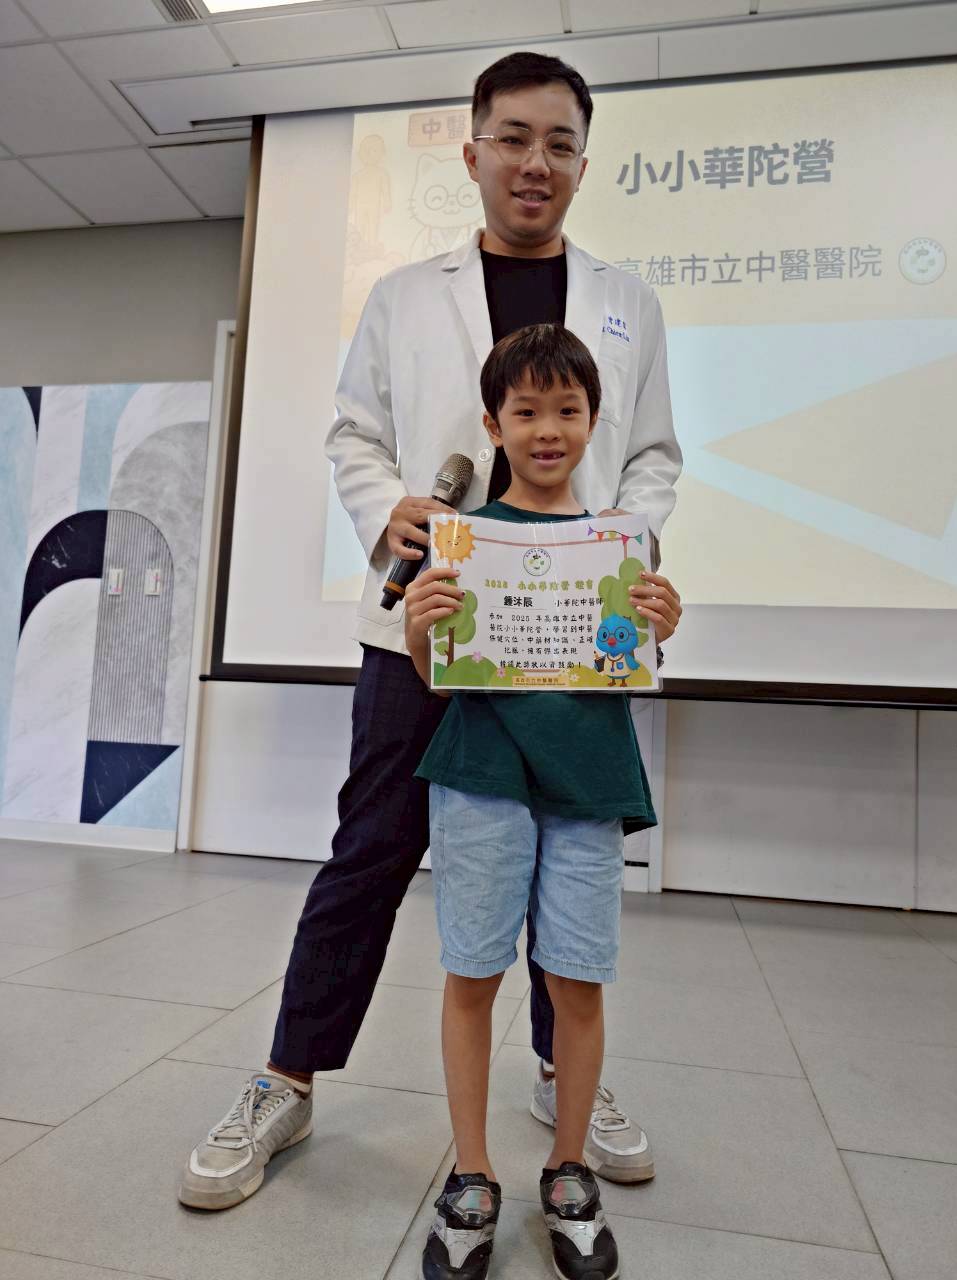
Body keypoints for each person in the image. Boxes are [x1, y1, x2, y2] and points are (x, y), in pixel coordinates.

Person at [179, 50, 682, 1212]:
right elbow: (354, 434)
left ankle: (562, 1077)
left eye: (559, 142)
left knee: (565, 844)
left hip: (568, 629)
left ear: (583, 162)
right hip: (430, 620)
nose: (535, 162)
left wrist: (622, 544)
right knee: (372, 846)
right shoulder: (406, 295)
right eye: (514, 138)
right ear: (472, 152)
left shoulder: (629, 302)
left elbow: (653, 454)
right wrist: (387, 508)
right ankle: (286, 1077)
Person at [404, 323, 682, 1280]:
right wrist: (420, 631)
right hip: (481, 775)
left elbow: (629, 659)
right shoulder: (465, 540)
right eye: (526, 411)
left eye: (567, 409)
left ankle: (568, 1170)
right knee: (472, 972)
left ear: (595, 419)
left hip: (587, 781)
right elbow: (437, 675)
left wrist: (661, 622)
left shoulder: (616, 544)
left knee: (577, 979)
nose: (548, 429)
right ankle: (472, 1174)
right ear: (493, 425)